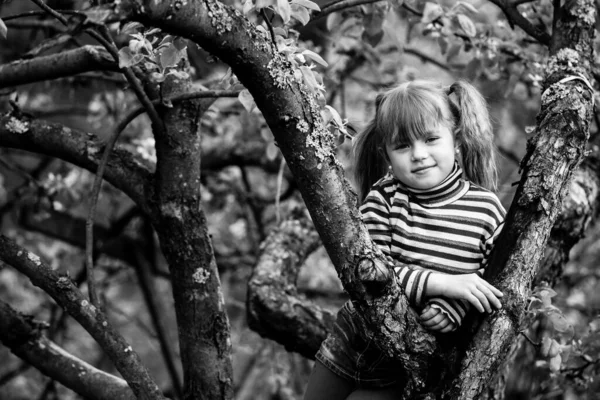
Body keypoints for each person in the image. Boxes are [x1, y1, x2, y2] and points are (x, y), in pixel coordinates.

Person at [303, 80, 507, 400]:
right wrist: (445, 285)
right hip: (352, 341)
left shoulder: (486, 210)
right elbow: (370, 275)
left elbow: (490, 284)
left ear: (456, 140)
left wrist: (453, 307)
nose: (419, 155)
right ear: (386, 153)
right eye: (403, 146)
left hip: (406, 366)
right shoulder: (384, 199)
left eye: (430, 139)